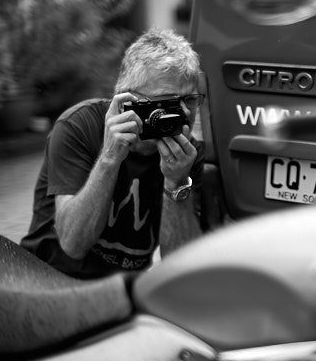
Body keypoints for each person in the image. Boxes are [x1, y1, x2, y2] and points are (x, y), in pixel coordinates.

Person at [21, 28, 205, 279]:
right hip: (47, 277)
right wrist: (109, 158)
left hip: (118, 291)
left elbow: (181, 268)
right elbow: (72, 245)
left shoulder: (188, 153)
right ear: (127, 99)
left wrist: (176, 183)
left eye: (191, 100)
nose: (184, 112)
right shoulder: (80, 125)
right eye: (169, 102)